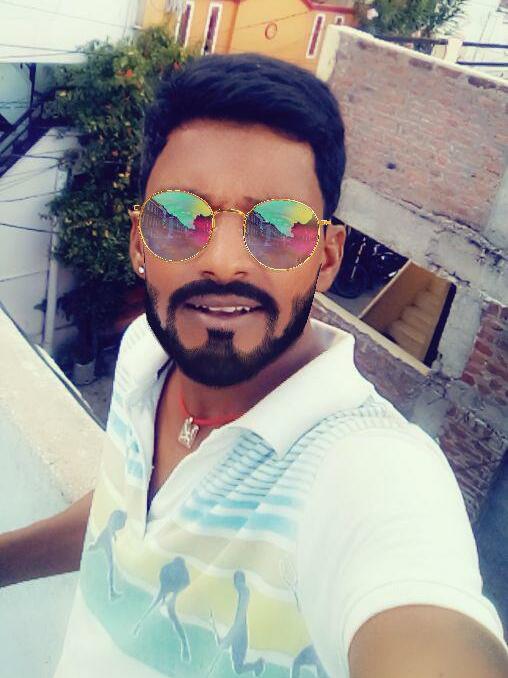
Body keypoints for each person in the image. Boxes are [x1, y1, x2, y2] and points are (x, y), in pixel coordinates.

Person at [1, 53, 506, 678]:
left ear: (326, 260)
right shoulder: (145, 353)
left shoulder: (366, 469)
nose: (223, 261)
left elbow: (424, 626)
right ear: (139, 243)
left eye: (279, 227)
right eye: (179, 217)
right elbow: (121, 514)